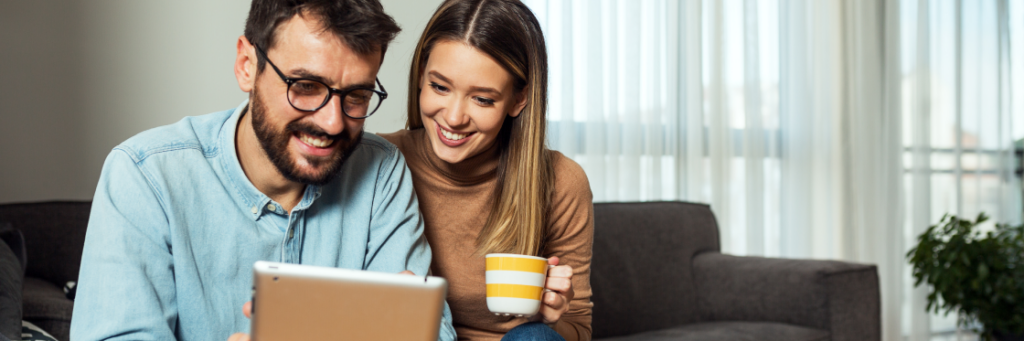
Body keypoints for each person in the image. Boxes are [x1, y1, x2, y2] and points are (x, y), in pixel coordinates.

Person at [70, 1, 455, 340]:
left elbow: (430, 333)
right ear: (246, 66)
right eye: (306, 86)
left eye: (356, 96)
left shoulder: (381, 173)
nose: (333, 123)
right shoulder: (145, 176)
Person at [380, 0, 594, 340]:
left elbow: (579, 328)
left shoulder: (561, 182)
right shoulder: (381, 164)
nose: (453, 117)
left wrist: (553, 317)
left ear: (518, 99)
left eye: (482, 99)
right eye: (440, 86)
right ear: (421, 75)